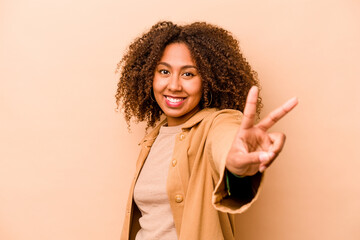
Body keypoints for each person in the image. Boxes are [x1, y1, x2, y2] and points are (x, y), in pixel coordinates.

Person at [115, 21, 298, 240]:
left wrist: (235, 163)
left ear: (208, 81)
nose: (173, 85)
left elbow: (225, 140)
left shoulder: (217, 123)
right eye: (164, 71)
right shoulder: (152, 141)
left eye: (188, 74)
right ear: (149, 76)